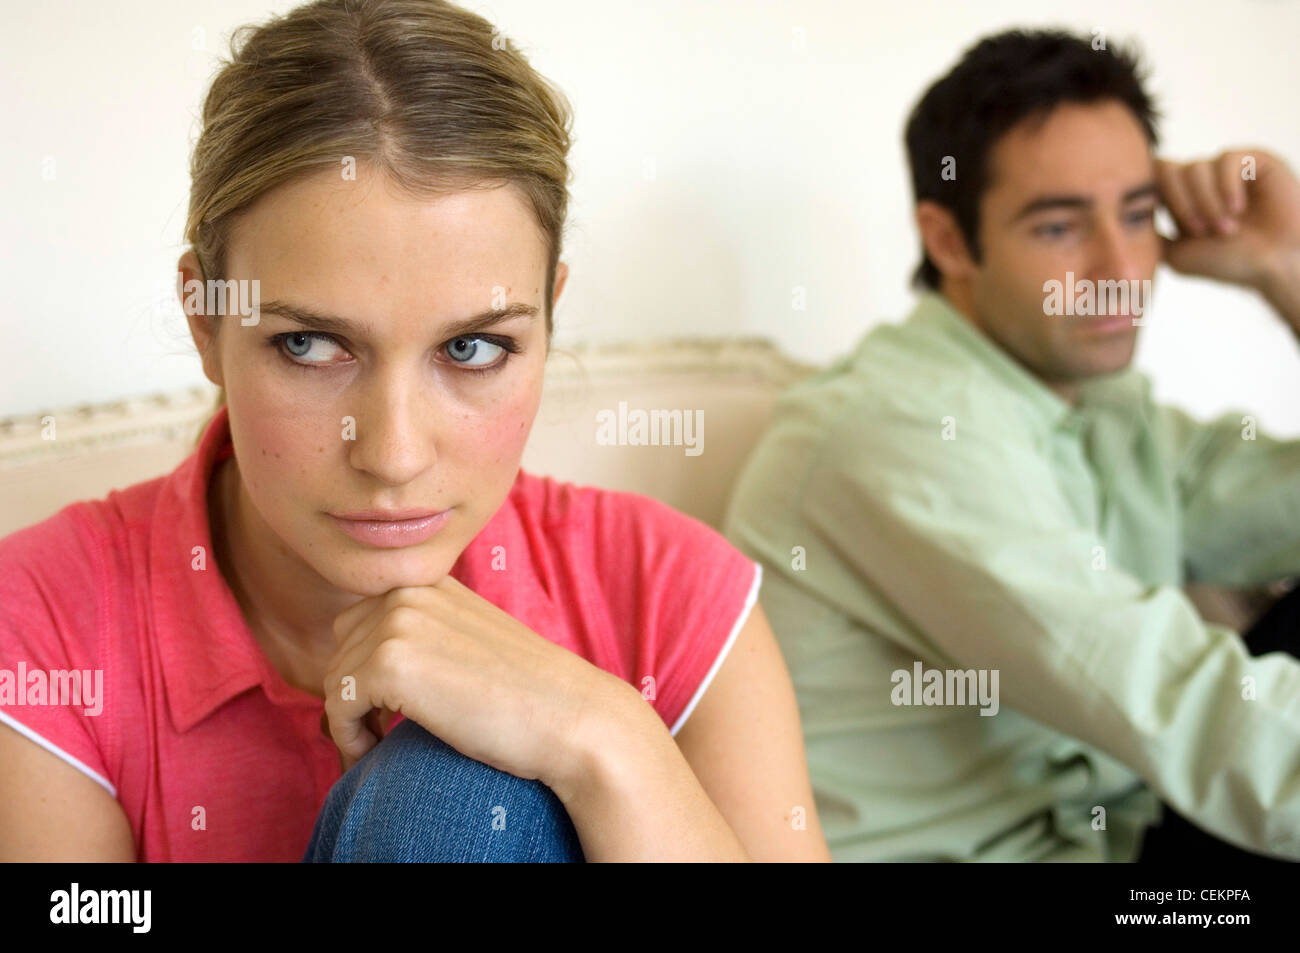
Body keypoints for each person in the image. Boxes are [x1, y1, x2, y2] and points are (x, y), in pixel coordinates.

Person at [0, 0, 830, 863]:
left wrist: (603, 737)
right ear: (206, 321)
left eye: (473, 348)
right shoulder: (45, 625)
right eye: (309, 345)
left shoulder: (667, 590)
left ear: (551, 316)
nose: (393, 454)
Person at [723, 28, 1300, 862]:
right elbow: (1180, 698)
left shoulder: (1095, 406)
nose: (1120, 267)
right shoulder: (901, 428)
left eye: (1138, 215)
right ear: (949, 239)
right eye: (1061, 227)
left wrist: (1286, 269)